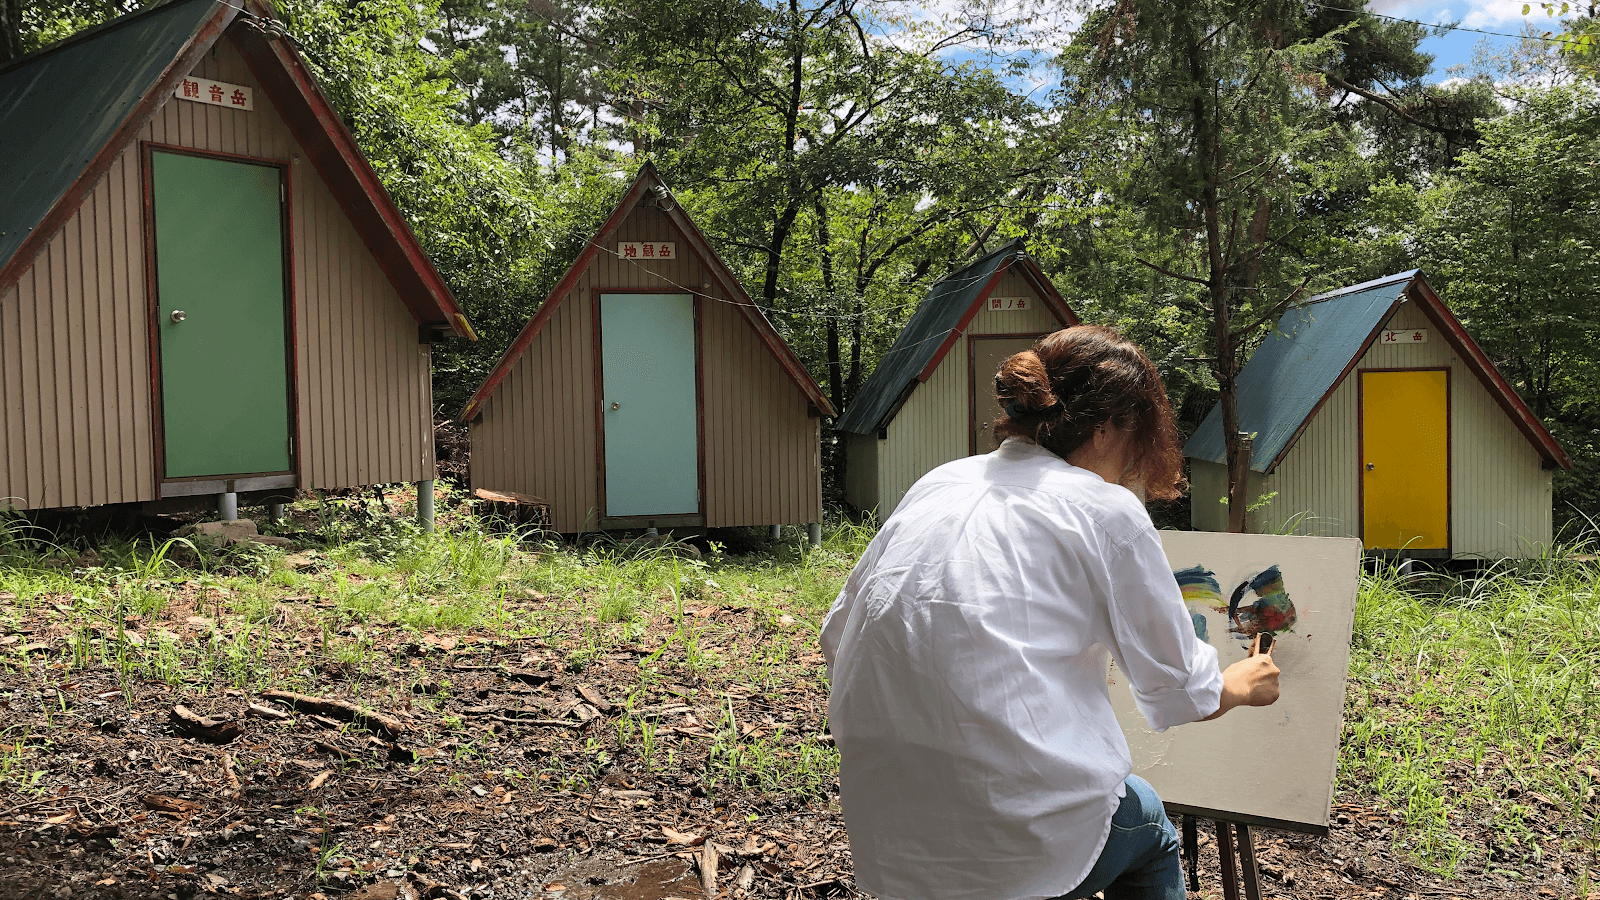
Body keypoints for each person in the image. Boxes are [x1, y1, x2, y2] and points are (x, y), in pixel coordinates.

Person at [820, 325, 1281, 900]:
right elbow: (1182, 688)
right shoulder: (1105, 510)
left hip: (886, 842)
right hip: (1014, 848)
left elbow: (838, 636)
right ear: (1111, 426)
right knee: (1150, 827)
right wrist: (1241, 682)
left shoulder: (941, 481)